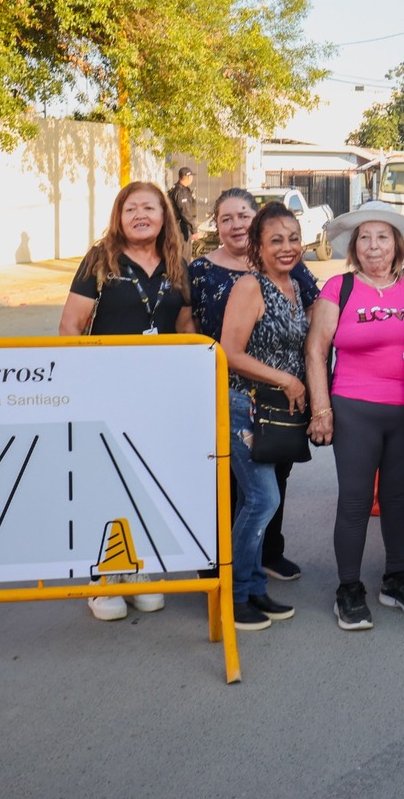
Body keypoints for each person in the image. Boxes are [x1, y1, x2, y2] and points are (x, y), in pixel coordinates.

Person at [59, 181, 190, 622]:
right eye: (130, 208)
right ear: (118, 216)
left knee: (149, 480)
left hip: (159, 394)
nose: (140, 215)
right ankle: (104, 578)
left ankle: (141, 569)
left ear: (163, 215)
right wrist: (84, 385)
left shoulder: (177, 260)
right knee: (108, 482)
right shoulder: (101, 260)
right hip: (108, 390)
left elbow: (185, 326)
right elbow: (71, 327)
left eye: (149, 208)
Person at [304, 202, 404, 632]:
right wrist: (321, 409)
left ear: (396, 245)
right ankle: (348, 588)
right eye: (365, 238)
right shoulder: (338, 289)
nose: (373, 246)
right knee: (357, 500)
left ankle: (395, 579)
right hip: (353, 408)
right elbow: (316, 351)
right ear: (354, 246)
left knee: (398, 500)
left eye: (382, 237)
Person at [180, 188, 282, 632]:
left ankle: (252, 582)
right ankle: (229, 585)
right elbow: (188, 325)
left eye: (244, 214)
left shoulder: (281, 266)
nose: (237, 223)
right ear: (216, 226)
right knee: (239, 494)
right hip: (225, 391)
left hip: (272, 402)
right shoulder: (200, 270)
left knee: (257, 495)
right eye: (227, 218)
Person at [217, 203, 322, 626]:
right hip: (244, 407)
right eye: (276, 240)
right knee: (263, 499)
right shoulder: (250, 286)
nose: (287, 247)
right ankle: (237, 595)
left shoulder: (295, 286)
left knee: (255, 501)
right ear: (258, 247)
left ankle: (255, 588)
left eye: (293, 238)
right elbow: (229, 352)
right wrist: (288, 381)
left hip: (274, 415)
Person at [169, 167, 198, 244]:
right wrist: (194, 229)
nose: (192, 179)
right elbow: (185, 211)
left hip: (176, 227)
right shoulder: (181, 191)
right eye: (191, 176)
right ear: (187, 177)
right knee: (184, 254)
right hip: (181, 228)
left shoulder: (175, 188)